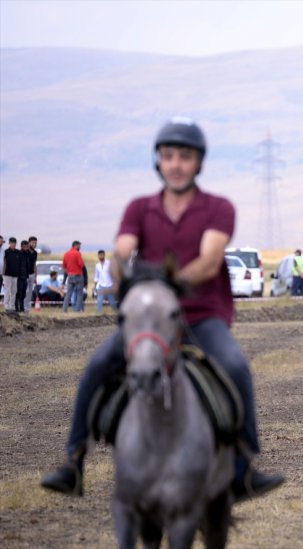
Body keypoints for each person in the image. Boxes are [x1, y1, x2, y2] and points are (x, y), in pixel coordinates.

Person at [41, 117, 284, 502]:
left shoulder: (218, 208)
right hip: (150, 320)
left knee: (236, 365)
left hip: (202, 316)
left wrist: (173, 284)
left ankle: (243, 469)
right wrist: (123, 270)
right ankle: (73, 462)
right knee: (97, 365)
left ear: (198, 162)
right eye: (168, 155)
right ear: (159, 161)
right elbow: (123, 249)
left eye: (184, 156)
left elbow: (209, 260)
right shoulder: (140, 208)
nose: (176, 163)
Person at [62, 241, 85, 313]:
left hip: (70, 276)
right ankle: (77, 310)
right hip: (78, 275)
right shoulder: (77, 253)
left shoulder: (66, 254)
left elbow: (64, 267)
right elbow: (81, 264)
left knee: (68, 294)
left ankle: (64, 310)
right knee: (79, 294)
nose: (80, 247)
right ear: (76, 245)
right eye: (79, 246)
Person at [3, 237, 20, 312]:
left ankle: (12, 305)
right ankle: (6, 305)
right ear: (9, 243)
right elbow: (4, 263)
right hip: (7, 274)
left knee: (14, 290)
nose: (13, 244)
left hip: (15, 274)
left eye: (14, 243)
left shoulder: (18, 252)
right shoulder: (6, 252)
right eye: (12, 243)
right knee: (7, 290)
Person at [23, 236, 39, 311]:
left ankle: (27, 308)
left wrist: (36, 275)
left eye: (35, 243)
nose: (34, 244)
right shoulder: (25, 252)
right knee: (25, 291)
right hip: (25, 274)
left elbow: (34, 264)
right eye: (33, 243)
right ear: (29, 243)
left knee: (30, 292)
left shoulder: (35, 253)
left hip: (32, 274)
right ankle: (22, 306)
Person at [15, 240, 31, 312]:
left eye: (27, 246)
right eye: (24, 246)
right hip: (19, 277)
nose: (26, 248)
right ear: (21, 246)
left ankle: (22, 308)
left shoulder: (27, 254)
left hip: (25, 277)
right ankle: (17, 308)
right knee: (19, 293)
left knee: (23, 293)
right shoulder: (18, 254)